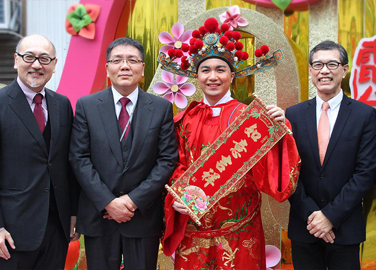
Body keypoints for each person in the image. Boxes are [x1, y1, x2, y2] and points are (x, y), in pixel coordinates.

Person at [159, 18, 301, 269]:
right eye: (206, 70)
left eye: (220, 70)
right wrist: (177, 197)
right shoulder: (183, 120)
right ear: (197, 75)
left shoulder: (251, 121)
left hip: (240, 230)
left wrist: (280, 132)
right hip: (194, 230)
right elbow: (174, 165)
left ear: (232, 75)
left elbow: (272, 178)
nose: (213, 77)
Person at [69, 37, 178, 270]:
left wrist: (132, 200)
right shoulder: (87, 106)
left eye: (132, 60)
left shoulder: (160, 108)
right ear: (107, 68)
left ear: (142, 68)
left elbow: (167, 160)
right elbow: (79, 158)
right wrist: (108, 202)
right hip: (99, 216)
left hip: (142, 216)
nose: (125, 66)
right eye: (117, 60)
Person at [0, 34, 79, 270]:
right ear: (15, 60)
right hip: (12, 230)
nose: (36, 65)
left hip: (57, 227)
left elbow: (66, 163)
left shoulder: (62, 104)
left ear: (54, 65)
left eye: (44, 59)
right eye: (29, 57)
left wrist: (73, 213)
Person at [286, 40, 376, 270]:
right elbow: (287, 171)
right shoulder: (293, 115)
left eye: (332, 64)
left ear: (344, 70)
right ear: (310, 71)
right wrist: (312, 217)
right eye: (317, 65)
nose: (324, 70)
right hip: (304, 228)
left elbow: (366, 172)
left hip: (345, 230)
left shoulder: (365, 115)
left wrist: (330, 217)